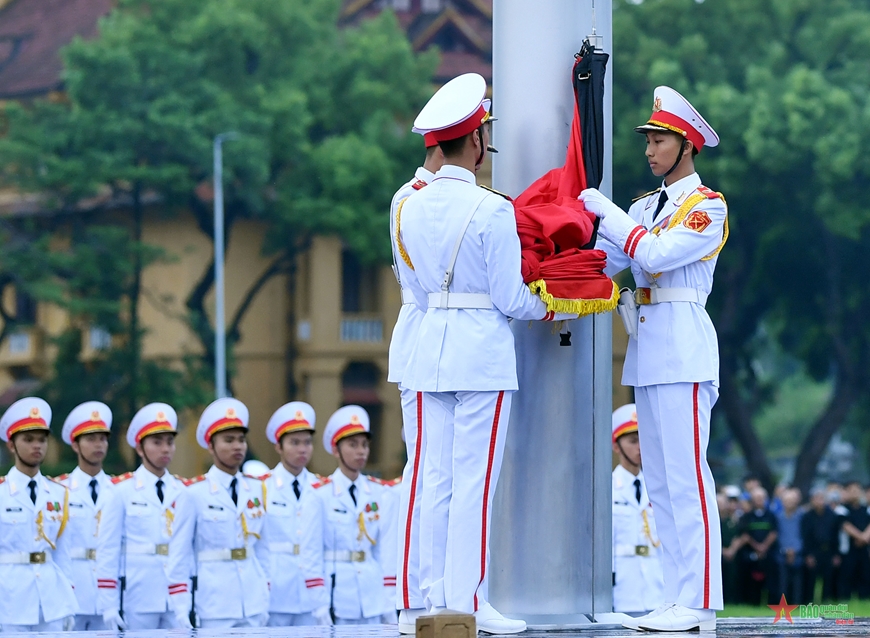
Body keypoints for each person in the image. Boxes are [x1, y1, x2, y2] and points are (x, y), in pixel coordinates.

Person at [399, 72, 567, 635]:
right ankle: (469, 604)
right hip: (481, 354)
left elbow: (418, 290)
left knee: (437, 483)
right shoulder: (492, 209)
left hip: (430, 348)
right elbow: (511, 299)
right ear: (475, 141)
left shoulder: (408, 204)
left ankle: (435, 599)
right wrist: (560, 305)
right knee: (475, 481)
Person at [580, 86, 726, 631]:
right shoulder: (643, 207)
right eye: (648, 139)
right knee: (661, 482)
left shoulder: (706, 206)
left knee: (688, 478)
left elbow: (656, 254)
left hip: (684, 347)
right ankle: (676, 595)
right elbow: (606, 260)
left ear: (686, 146)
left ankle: (701, 603)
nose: (650, 149)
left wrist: (608, 213)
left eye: (660, 140)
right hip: (647, 346)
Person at [389, 132, 444, 635]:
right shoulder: (412, 198)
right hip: (425, 336)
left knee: (443, 476)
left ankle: (443, 591)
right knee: (425, 473)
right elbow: (428, 287)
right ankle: (411, 598)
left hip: (441, 341)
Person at [167, 397, 269, 629]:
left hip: (252, 602)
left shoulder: (256, 489)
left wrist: (265, 592)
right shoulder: (194, 494)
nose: (237, 447)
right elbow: (179, 554)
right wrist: (181, 607)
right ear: (211, 446)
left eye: (242, 440)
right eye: (229, 440)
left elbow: (264, 549)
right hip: (213, 604)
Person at [96, 403, 187, 630]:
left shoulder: (183, 490)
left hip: (176, 597)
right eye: (157, 443)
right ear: (139, 448)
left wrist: (187, 599)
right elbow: (108, 548)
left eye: (170, 442)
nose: (165, 449)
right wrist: (108, 603)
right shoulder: (121, 491)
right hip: (138, 594)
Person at [0, 397, 77, 632]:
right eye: (29, 439)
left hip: (51, 600)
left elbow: (63, 554)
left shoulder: (58, 493)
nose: (37, 446)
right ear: (11, 445)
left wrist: (68, 602)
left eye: (42, 440)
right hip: (10, 601)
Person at [316, 405, 397, 626]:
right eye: (352, 445)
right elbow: (314, 552)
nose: (361, 451)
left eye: (364, 445)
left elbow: (383, 551)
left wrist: (388, 599)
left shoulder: (379, 493)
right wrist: (319, 602)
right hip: (338, 594)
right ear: (336, 450)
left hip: (371, 593)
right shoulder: (321, 495)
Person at [261, 401, 330, 626]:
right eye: (294, 442)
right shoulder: (262, 487)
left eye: (307, 443)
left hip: (312, 592)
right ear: (278, 446)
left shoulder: (321, 488)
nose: (303, 449)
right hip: (276, 591)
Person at [56, 401, 117, 630]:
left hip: (108, 594)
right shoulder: (60, 490)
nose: (99, 444)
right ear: (75, 445)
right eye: (91, 439)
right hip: (74, 590)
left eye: (103, 438)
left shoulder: (117, 490)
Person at [610, 404, 665, 613]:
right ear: (617, 446)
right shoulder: (607, 489)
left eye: (643, 440)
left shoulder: (657, 489)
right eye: (633, 441)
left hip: (656, 587)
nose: (640, 447)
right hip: (622, 588)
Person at [734, 486, 779, 605]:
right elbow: (745, 534)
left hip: (768, 552)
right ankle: (750, 601)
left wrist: (763, 547)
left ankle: (771, 603)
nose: (759, 500)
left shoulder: (771, 516)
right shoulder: (746, 517)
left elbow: (773, 533)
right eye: (757, 498)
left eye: (761, 498)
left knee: (770, 578)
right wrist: (756, 547)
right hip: (750, 552)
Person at [801, 487, 841, 602]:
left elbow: (835, 536)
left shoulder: (832, 515)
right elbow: (805, 537)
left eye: (821, 498)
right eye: (816, 498)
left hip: (828, 551)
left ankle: (826, 601)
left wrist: (836, 554)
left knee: (828, 579)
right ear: (812, 500)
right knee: (811, 580)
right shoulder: (807, 516)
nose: (819, 501)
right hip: (813, 551)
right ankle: (808, 602)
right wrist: (808, 554)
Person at [837, 480, 870, 600]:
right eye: (852, 490)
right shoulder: (842, 509)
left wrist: (865, 537)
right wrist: (860, 537)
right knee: (847, 575)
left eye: (857, 490)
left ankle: (865, 598)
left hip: (864, 547)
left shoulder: (866, 509)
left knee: (865, 574)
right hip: (848, 548)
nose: (855, 493)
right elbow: (845, 525)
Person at [775, 487, 804, 603]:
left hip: (798, 553)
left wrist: (795, 550)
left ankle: (797, 604)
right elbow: (778, 536)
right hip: (782, 554)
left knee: (798, 583)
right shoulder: (778, 518)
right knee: (782, 582)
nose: (789, 504)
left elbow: (802, 535)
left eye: (792, 501)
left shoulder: (801, 517)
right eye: (787, 501)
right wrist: (785, 550)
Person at [719, 485, 743, 604]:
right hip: (720, 552)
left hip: (734, 553)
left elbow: (739, 535)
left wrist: (732, 550)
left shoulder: (738, 518)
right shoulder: (719, 518)